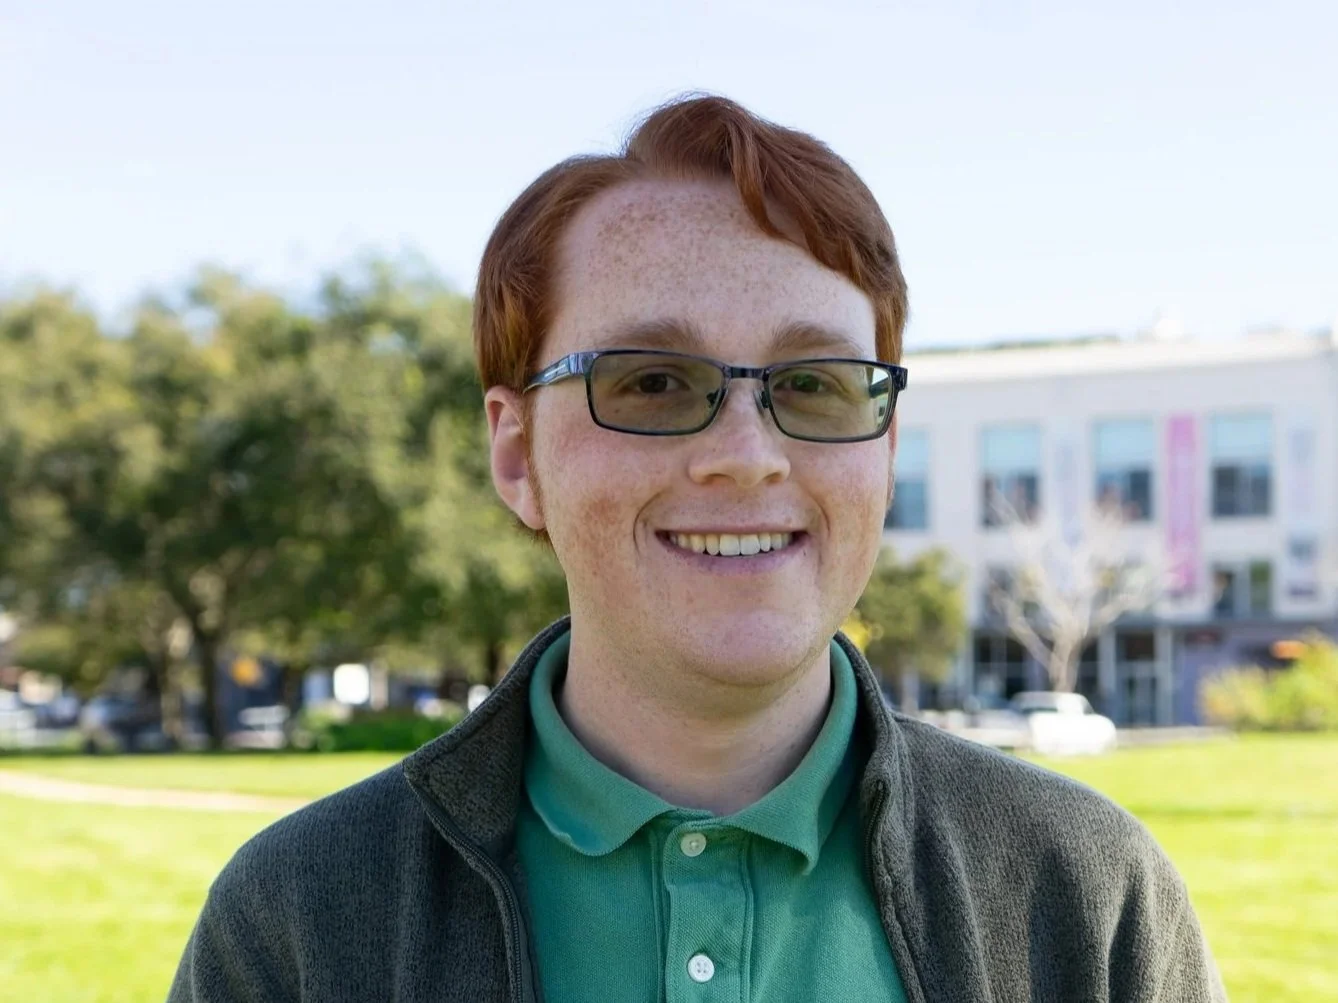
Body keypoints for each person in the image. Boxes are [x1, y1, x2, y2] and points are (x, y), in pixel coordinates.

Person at [169, 95, 1225, 1003]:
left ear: (886, 448)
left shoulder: (1087, 896)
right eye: (652, 382)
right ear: (515, 451)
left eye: (814, 384)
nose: (747, 456)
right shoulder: (300, 918)